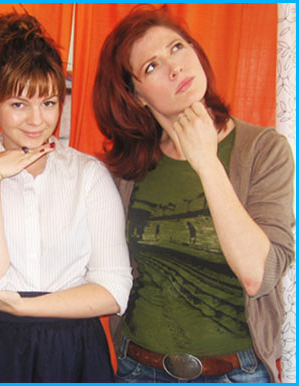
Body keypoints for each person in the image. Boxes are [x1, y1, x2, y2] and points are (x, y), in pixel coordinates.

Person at [92, 5, 295, 383]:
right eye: (151, 66)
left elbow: (258, 276)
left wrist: (206, 161)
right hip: (137, 369)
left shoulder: (263, 149)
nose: (174, 68)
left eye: (177, 47)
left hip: (236, 372)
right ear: (136, 95)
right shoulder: (127, 171)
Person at [0, 12, 132, 382]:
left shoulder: (88, 174)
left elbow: (114, 290)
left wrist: (24, 308)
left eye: (49, 103)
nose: (37, 121)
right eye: (19, 104)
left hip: (72, 351)